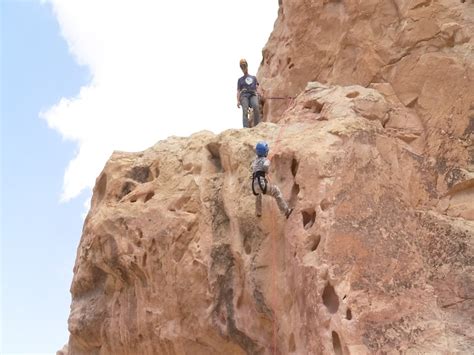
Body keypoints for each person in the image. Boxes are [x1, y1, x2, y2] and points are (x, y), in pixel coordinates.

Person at [251, 141, 293, 218]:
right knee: (276, 191)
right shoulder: (265, 160)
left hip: (254, 185)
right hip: (261, 184)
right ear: (264, 152)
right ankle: (286, 211)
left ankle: (258, 212)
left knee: (258, 194)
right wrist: (267, 166)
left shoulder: (254, 161)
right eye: (266, 150)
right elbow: (265, 167)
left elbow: (253, 169)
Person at [237, 58, 261, 128]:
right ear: (241, 68)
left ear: (247, 66)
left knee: (256, 106)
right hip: (244, 95)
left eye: (244, 66)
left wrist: (259, 93)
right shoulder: (240, 80)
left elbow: (257, 87)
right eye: (242, 66)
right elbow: (238, 91)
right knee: (245, 109)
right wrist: (238, 101)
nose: (244, 68)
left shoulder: (253, 77)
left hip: (253, 94)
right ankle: (245, 127)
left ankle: (257, 126)